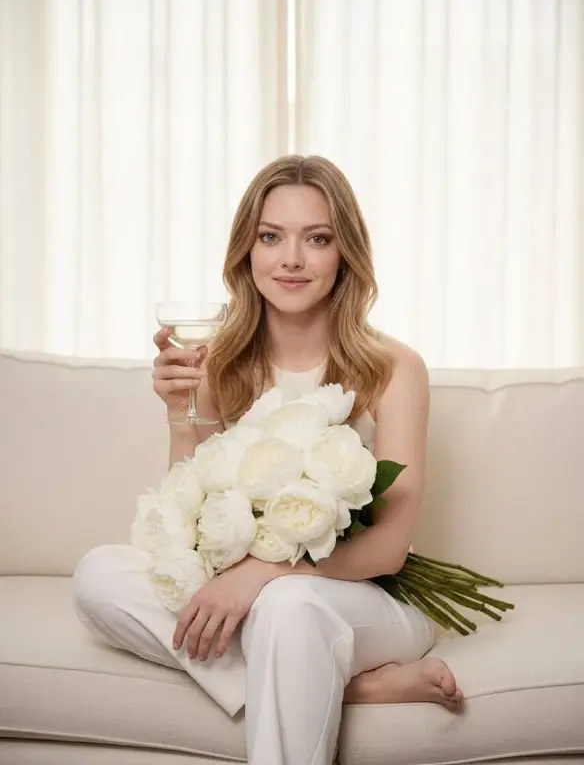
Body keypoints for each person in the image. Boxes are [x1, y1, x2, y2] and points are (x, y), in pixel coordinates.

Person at [72, 154, 463, 765]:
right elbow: (190, 517)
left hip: (369, 592)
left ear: (345, 254)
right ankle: (348, 687)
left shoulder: (394, 368)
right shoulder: (219, 363)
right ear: (246, 253)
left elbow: (388, 547)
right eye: (270, 237)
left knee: (288, 605)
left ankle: (320, 667)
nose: (291, 259)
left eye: (318, 239)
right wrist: (180, 410)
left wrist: (259, 574)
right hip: (269, 605)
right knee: (98, 575)